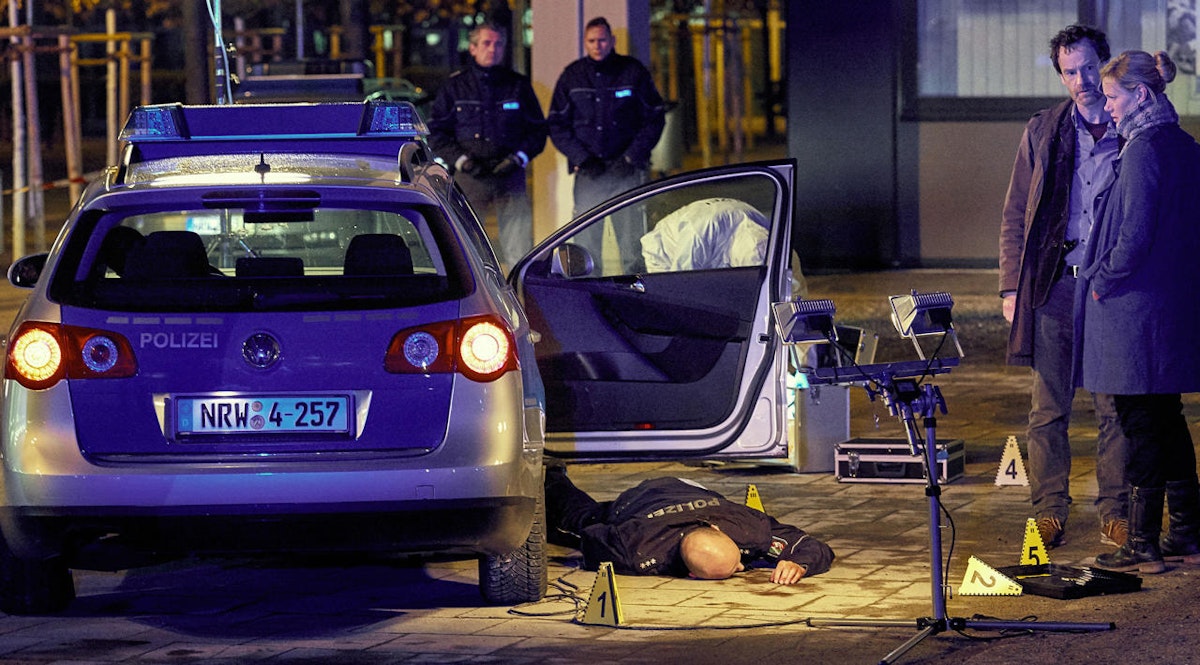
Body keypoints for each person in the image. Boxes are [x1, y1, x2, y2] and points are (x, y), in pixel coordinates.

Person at [998, 25, 1128, 549]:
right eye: (1070, 72)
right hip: (1055, 286)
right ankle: (1049, 509)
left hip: (1112, 290)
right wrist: (1011, 288)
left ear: (1105, 64)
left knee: (1114, 406)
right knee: (1048, 408)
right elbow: (1015, 214)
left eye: (1089, 68)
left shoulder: (1129, 127)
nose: (1081, 80)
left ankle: (1116, 510)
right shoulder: (1044, 130)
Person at [1080, 50, 1200, 573]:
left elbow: (1133, 235)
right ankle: (1187, 532)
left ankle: (1143, 542)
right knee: (1166, 417)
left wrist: (1101, 280)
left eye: (1113, 96)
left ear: (1141, 94)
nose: (1107, 106)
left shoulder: (1142, 150)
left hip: (1136, 310)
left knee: (1140, 422)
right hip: (1170, 306)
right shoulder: (1184, 145)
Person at [545, 467, 834, 584]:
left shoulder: (747, 527)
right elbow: (591, 538)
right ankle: (551, 476)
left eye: (736, 562)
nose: (742, 567)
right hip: (638, 502)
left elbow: (813, 546)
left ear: (717, 529)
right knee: (581, 519)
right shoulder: (634, 548)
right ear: (692, 574)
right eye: (737, 569)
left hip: (691, 489)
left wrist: (800, 563)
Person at [547, 16, 666, 273]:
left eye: (602, 40)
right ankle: (589, 292)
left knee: (631, 244)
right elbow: (556, 124)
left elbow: (654, 117)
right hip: (590, 174)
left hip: (626, 173)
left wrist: (632, 157)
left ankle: (633, 290)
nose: (597, 45)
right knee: (587, 246)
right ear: (584, 42)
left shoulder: (633, 72)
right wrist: (582, 159)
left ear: (612, 41)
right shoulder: (572, 76)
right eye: (592, 41)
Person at [427, 22, 547, 266]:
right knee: (467, 249)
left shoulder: (517, 85)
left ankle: (518, 290)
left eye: (498, 44)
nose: (493, 49)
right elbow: (436, 132)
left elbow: (538, 131)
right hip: (471, 178)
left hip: (510, 175)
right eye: (486, 43)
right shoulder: (456, 87)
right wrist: (463, 161)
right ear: (472, 48)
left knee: (519, 250)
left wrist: (518, 159)